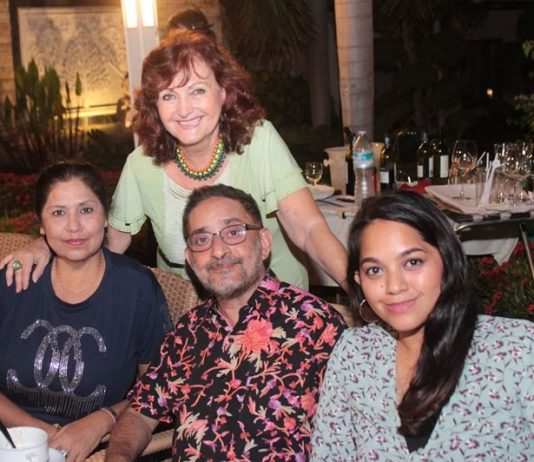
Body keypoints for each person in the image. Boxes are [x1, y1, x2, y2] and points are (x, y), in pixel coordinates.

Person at [0, 30, 348, 293]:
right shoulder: (142, 165)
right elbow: (107, 245)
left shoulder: (257, 140)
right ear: (155, 106)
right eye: (169, 95)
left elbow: (309, 229)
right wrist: (45, 246)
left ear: (223, 92)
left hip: (276, 307)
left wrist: (362, 294)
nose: (184, 109)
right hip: (190, 318)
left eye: (197, 90)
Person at [104, 184, 346, 461]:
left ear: (264, 243)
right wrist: (119, 455)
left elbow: (358, 429)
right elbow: (139, 413)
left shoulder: (314, 322)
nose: (218, 251)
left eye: (233, 233)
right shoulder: (187, 333)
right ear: (190, 260)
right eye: (202, 240)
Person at [311, 191, 534, 461]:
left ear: (447, 260)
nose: (394, 286)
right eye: (375, 270)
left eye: (412, 262)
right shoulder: (356, 355)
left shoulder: (516, 350)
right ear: (359, 280)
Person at [0, 162, 171, 461]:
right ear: (41, 225)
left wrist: (104, 419)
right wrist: (45, 434)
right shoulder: (15, 279)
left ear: (105, 217)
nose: (74, 226)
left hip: (98, 447)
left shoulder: (136, 288)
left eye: (87, 210)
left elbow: (159, 386)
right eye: (58, 213)